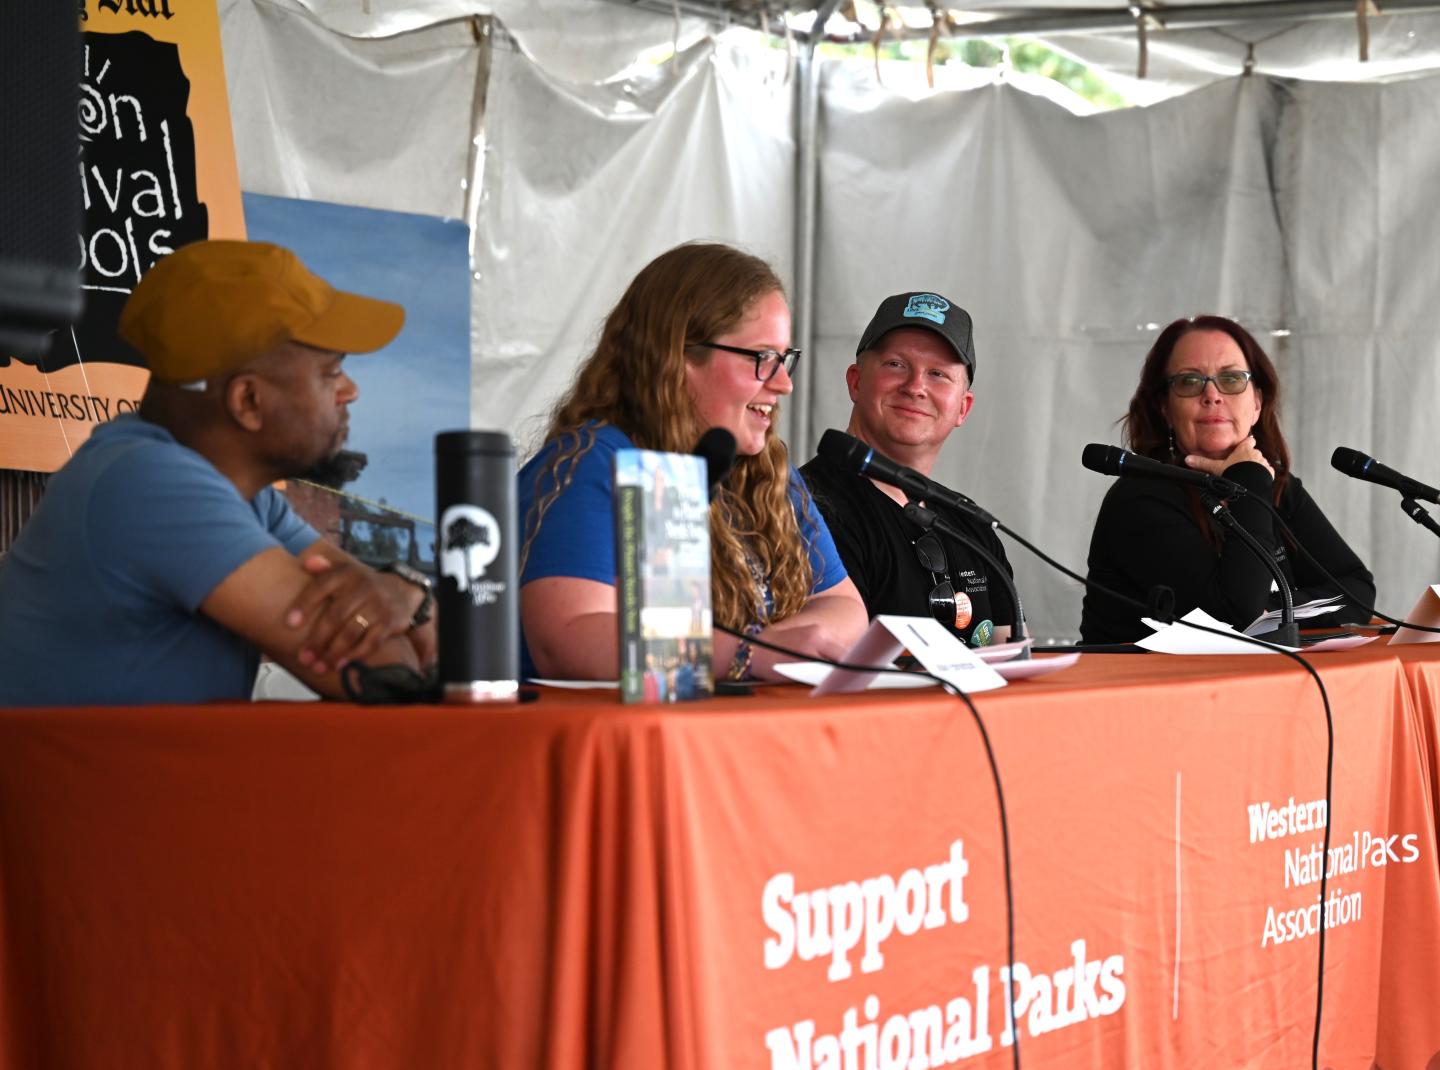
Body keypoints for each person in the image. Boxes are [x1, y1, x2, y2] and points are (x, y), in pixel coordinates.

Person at [0, 240, 436, 706]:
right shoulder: (149, 483)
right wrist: (406, 603)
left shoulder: (245, 496)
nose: (351, 391)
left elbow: (405, 631)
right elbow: (386, 677)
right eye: (330, 373)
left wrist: (405, 592)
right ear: (247, 401)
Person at [517, 242, 868, 681]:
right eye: (762, 358)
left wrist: (771, 649)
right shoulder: (595, 464)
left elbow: (844, 608)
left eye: (785, 360)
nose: (783, 384)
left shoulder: (766, 472)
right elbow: (566, 639)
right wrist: (750, 654)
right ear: (678, 357)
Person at [1080, 315, 1376, 644]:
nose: (1212, 395)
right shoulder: (1139, 498)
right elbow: (1234, 619)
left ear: (1257, 403)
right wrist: (1248, 478)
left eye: (1232, 378)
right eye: (1190, 382)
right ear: (1164, 407)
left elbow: (1357, 591)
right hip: (1145, 691)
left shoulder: (1276, 487)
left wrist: (1272, 611)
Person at [800, 292, 1017, 647]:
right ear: (855, 381)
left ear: (963, 408)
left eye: (938, 374)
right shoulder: (804, 507)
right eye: (896, 365)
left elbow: (1011, 655)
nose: (916, 387)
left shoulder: (973, 525)